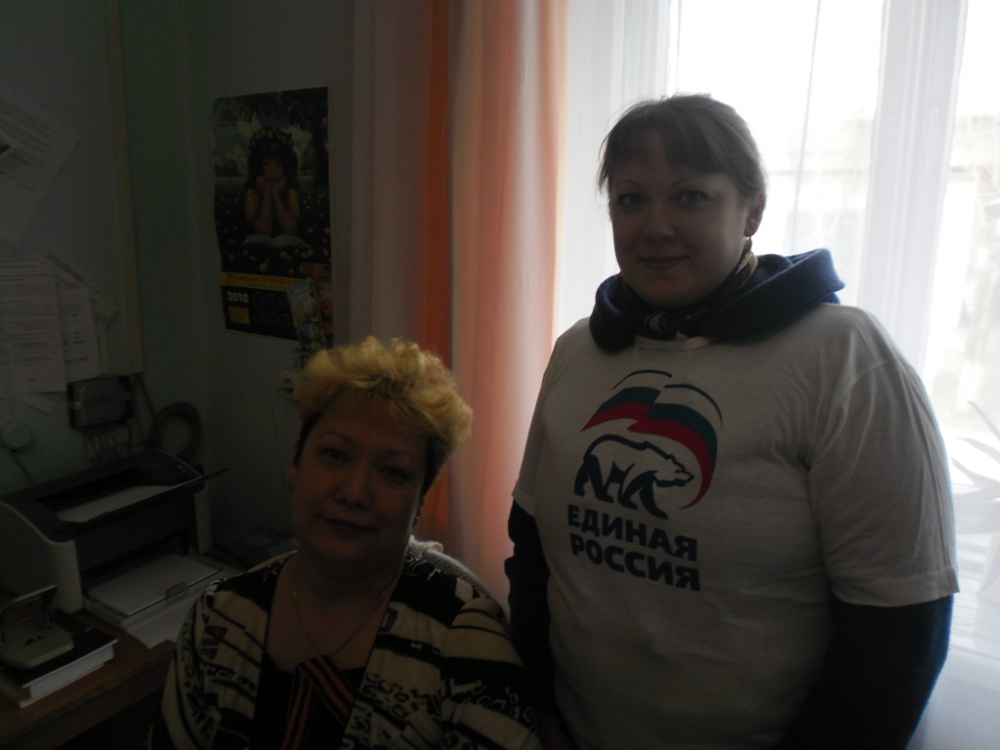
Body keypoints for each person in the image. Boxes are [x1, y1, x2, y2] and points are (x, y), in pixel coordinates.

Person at [505, 94, 957, 750]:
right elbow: (532, 551)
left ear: (752, 211)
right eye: (631, 200)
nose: (656, 226)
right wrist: (539, 704)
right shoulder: (578, 350)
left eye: (689, 197)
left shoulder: (845, 360)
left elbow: (899, 634)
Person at [151, 337, 541, 749]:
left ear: (421, 501)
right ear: (296, 460)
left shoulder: (468, 645)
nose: (355, 492)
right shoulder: (218, 618)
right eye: (335, 455)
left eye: (393, 473)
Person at [245, 127, 300, 238]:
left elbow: (290, 230)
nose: (272, 170)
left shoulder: (290, 192)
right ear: (259, 167)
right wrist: (267, 193)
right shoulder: (253, 193)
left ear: (286, 166)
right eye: (266, 163)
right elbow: (264, 232)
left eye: (278, 163)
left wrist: (275, 193)